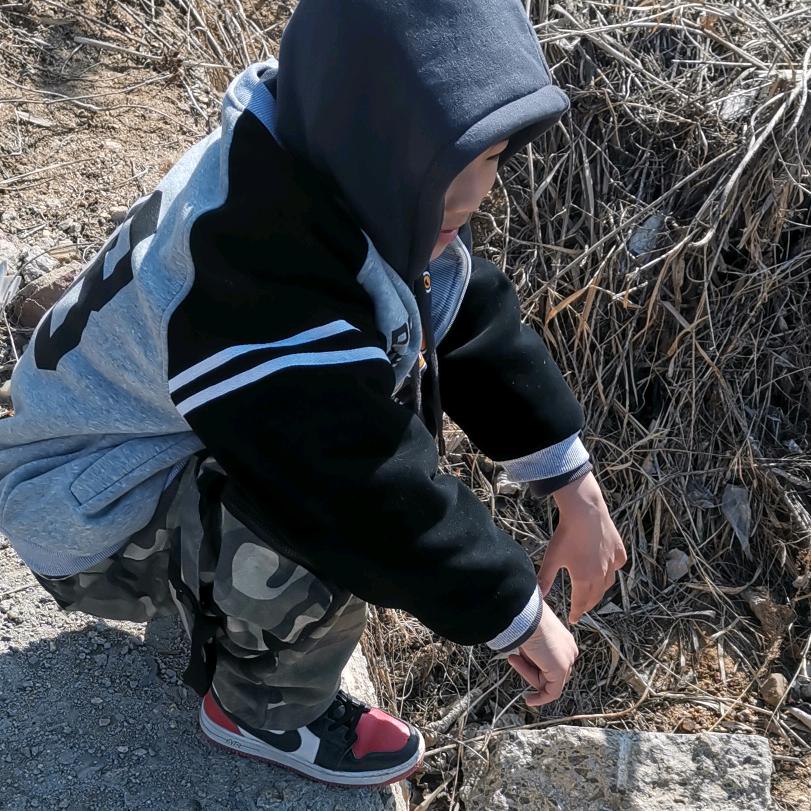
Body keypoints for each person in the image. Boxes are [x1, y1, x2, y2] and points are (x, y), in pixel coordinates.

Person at [0, 0, 626, 789]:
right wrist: (507, 609)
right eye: (440, 166)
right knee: (316, 522)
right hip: (82, 504)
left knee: (314, 430)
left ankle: (213, 590)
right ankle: (261, 707)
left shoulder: (318, 153)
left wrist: (570, 480)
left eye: (490, 152)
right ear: (368, 132)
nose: (471, 194)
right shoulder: (253, 267)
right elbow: (351, 482)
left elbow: (460, 309)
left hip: (140, 436)